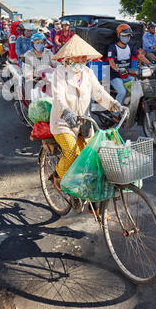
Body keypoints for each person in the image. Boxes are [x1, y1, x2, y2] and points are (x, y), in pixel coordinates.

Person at [49, 34, 125, 203]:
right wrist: (67, 111)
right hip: (62, 122)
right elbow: (59, 96)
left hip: (83, 122)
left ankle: (89, 197)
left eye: (84, 56)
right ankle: (57, 176)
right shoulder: (60, 72)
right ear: (69, 56)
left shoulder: (88, 72)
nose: (82, 59)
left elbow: (99, 94)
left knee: (92, 158)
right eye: (79, 56)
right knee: (72, 154)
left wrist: (115, 105)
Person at [107, 24, 140, 106]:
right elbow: (111, 61)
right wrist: (117, 69)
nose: (127, 37)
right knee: (122, 92)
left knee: (139, 88)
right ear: (118, 35)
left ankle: (130, 107)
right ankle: (115, 113)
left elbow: (140, 56)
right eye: (124, 35)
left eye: (128, 35)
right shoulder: (112, 47)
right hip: (115, 76)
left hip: (127, 75)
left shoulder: (130, 47)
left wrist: (149, 63)